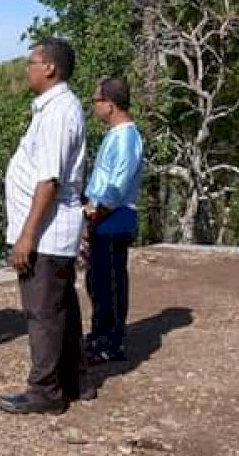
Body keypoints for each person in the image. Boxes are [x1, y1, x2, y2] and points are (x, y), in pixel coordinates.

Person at [0, 39, 91, 415]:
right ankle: (72, 380)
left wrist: (27, 234)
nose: (27, 69)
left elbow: (48, 180)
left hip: (48, 233)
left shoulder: (58, 112)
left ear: (49, 68)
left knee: (42, 313)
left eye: (31, 62)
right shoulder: (55, 108)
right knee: (60, 308)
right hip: (53, 233)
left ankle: (45, 391)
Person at [82, 77, 144, 364]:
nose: (94, 106)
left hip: (113, 218)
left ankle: (111, 341)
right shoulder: (115, 135)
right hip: (103, 216)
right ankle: (99, 334)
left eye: (96, 100)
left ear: (110, 103)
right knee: (98, 280)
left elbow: (116, 187)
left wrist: (97, 214)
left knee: (111, 282)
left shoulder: (126, 138)